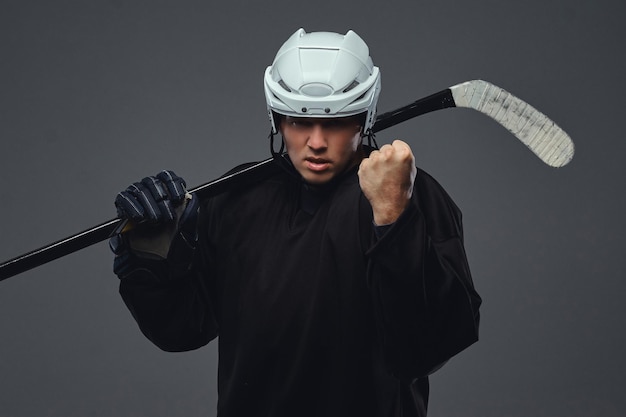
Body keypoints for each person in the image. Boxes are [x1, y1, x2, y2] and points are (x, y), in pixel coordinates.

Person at [110, 28, 481, 417]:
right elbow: (182, 330)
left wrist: (393, 217)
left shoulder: (406, 194)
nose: (316, 142)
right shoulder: (237, 197)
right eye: (299, 121)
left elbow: (423, 349)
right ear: (277, 117)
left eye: (336, 122)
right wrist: (153, 254)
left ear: (364, 118)